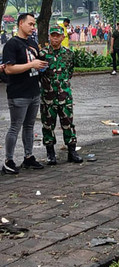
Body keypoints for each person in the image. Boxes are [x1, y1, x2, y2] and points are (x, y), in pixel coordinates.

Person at [1, 13, 48, 175]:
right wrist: (31, 64)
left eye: (34, 24)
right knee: (15, 126)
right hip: (18, 93)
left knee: (29, 126)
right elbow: (9, 68)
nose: (33, 27)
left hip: (34, 91)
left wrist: (40, 65)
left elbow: (35, 64)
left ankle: (28, 157)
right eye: (30, 24)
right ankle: (8, 160)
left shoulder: (32, 43)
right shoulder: (12, 44)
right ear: (21, 23)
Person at [39, 26, 82, 165]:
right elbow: (39, 74)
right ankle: (50, 153)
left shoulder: (68, 54)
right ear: (49, 37)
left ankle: (72, 151)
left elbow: (69, 72)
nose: (55, 38)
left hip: (64, 96)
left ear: (63, 37)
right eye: (53, 35)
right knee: (47, 125)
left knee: (68, 124)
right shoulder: (42, 54)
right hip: (48, 97)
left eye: (58, 35)